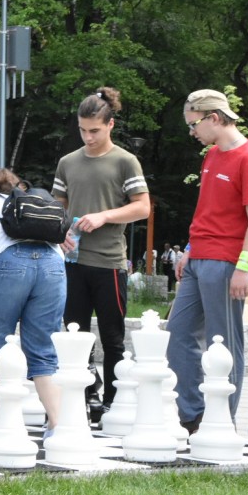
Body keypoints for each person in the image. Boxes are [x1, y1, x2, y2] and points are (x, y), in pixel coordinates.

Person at [167, 89, 248, 434]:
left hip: (227, 261)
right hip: (199, 257)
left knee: (223, 341)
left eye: (193, 124)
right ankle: (193, 416)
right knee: (178, 334)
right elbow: (207, 210)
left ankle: (223, 421)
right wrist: (189, 248)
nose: (191, 132)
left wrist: (243, 266)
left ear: (214, 118)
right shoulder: (211, 155)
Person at [52, 88, 150, 409]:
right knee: (75, 338)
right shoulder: (67, 162)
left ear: (110, 124)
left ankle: (113, 403)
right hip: (73, 263)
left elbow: (142, 207)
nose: (88, 137)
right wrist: (60, 232)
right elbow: (57, 208)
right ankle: (80, 399)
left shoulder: (125, 161)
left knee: (112, 338)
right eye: (82, 130)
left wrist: (104, 216)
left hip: (109, 263)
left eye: (94, 130)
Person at [0, 168, 64, 431]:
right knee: (44, 349)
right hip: (53, 265)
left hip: (7, 263)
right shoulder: (34, 201)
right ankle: (57, 426)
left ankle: (5, 427)